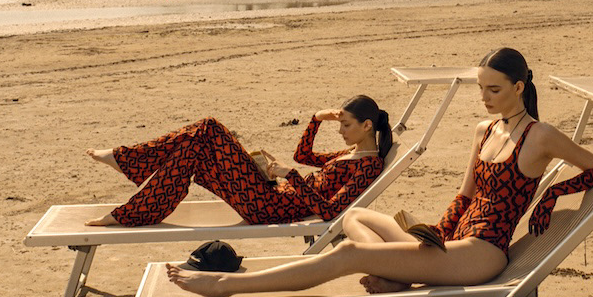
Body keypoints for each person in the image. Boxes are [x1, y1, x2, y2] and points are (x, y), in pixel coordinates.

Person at [165, 47, 593, 297]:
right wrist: (436, 234)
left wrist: (550, 197)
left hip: (483, 253)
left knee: (349, 253)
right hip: (452, 242)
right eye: (481, 88)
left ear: (519, 87)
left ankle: (227, 285)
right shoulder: (485, 129)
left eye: (494, 89)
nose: (485, 98)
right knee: (356, 217)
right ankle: (400, 271)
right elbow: (464, 196)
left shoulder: (541, 135)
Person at [84, 95, 392, 228]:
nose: (340, 131)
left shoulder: (369, 167)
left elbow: (330, 211)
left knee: (209, 128)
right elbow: (303, 156)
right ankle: (137, 208)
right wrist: (316, 119)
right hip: (271, 192)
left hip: (269, 206)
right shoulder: (350, 154)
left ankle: (127, 164)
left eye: (346, 125)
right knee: (193, 148)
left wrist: (292, 176)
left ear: (367, 126)